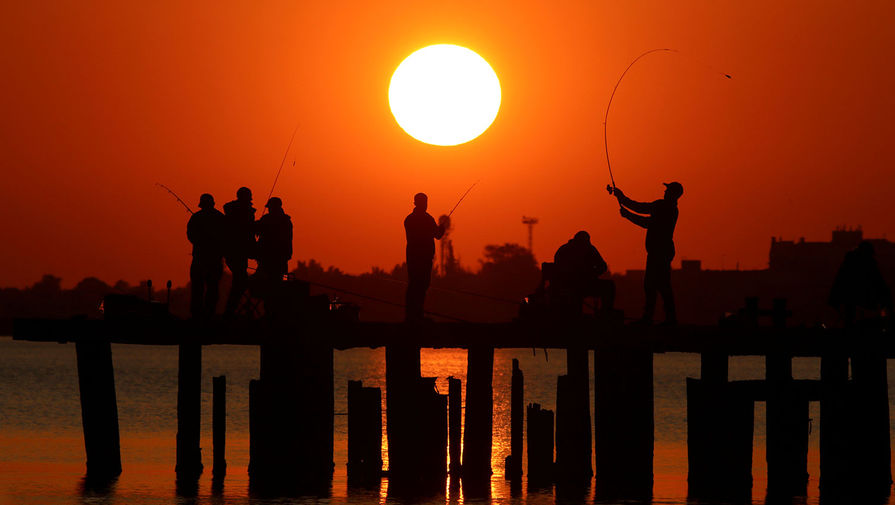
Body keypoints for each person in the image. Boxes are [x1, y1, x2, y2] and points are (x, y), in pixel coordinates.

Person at [614, 182, 683, 325]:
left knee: (653, 285)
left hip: (659, 252)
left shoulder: (663, 207)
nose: (664, 192)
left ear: (672, 193)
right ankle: (667, 318)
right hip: (662, 251)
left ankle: (651, 318)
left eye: (667, 190)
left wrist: (626, 212)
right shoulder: (670, 208)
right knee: (661, 285)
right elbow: (640, 210)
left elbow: (645, 218)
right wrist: (622, 198)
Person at [829, 241, 893, 328]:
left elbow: (839, 281)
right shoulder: (867, 263)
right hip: (856, 299)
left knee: (850, 317)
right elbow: (878, 281)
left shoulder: (850, 262)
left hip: (848, 298)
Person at [404, 193, 445, 321]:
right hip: (424, 258)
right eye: (424, 203)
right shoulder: (428, 219)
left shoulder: (408, 219)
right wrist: (442, 228)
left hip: (412, 258)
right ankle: (416, 314)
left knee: (414, 284)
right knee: (422, 285)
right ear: (417, 203)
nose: (425, 205)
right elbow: (438, 235)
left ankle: (412, 314)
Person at [552, 231, 615, 315]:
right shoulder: (586, 249)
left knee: (608, 286)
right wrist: (591, 274)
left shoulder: (564, 249)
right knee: (609, 286)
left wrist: (591, 274)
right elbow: (602, 267)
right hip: (575, 285)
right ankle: (605, 313)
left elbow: (602, 266)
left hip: (573, 285)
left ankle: (604, 313)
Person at [187, 193, 225, 319]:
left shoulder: (197, 217)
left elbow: (190, 235)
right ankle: (209, 314)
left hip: (200, 259)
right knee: (212, 288)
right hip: (214, 259)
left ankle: (197, 315)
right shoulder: (220, 218)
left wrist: (201, 242)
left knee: (198, 288)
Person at [222, 187, 256, 316]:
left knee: (240, 281)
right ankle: (230, 312)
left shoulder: (231, 212)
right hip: (238, 252)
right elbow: (247, 233)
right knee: (240, 282)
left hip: (232, 252)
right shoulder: (244, 212)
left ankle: (231, 311)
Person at [255, 197, 293, 285]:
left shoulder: (268, 219)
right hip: (280, 259)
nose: (269, 210)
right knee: (275, 284)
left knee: (266, 284)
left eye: (270, 208)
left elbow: (258, 229)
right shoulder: (286, 221)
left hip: (269, 259)